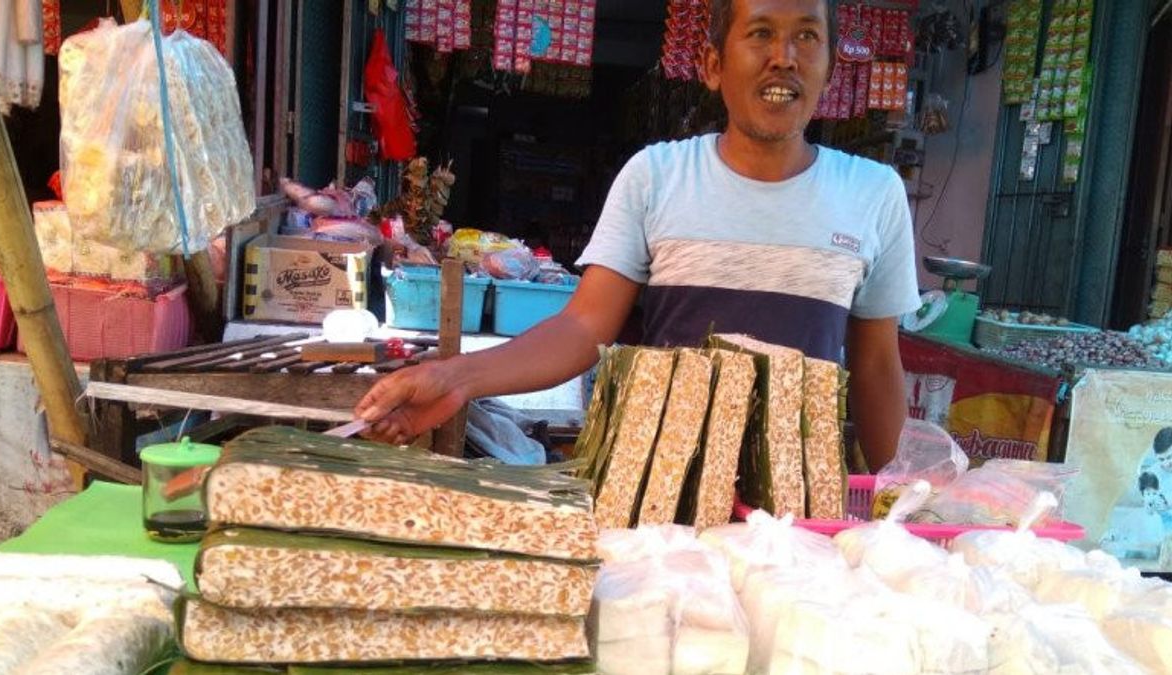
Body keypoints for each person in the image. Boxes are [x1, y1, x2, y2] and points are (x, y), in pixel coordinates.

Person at [356, 0, 921, 471]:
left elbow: (874, 365)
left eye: (807, 36)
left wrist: (900, 504)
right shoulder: (657, 176)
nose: (784, 57)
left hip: (797, 507)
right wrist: (454, 379)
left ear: (828, 65)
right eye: (761, 34)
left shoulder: (873, 192)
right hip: (660, 492)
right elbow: (583, 326)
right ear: (712, 65)